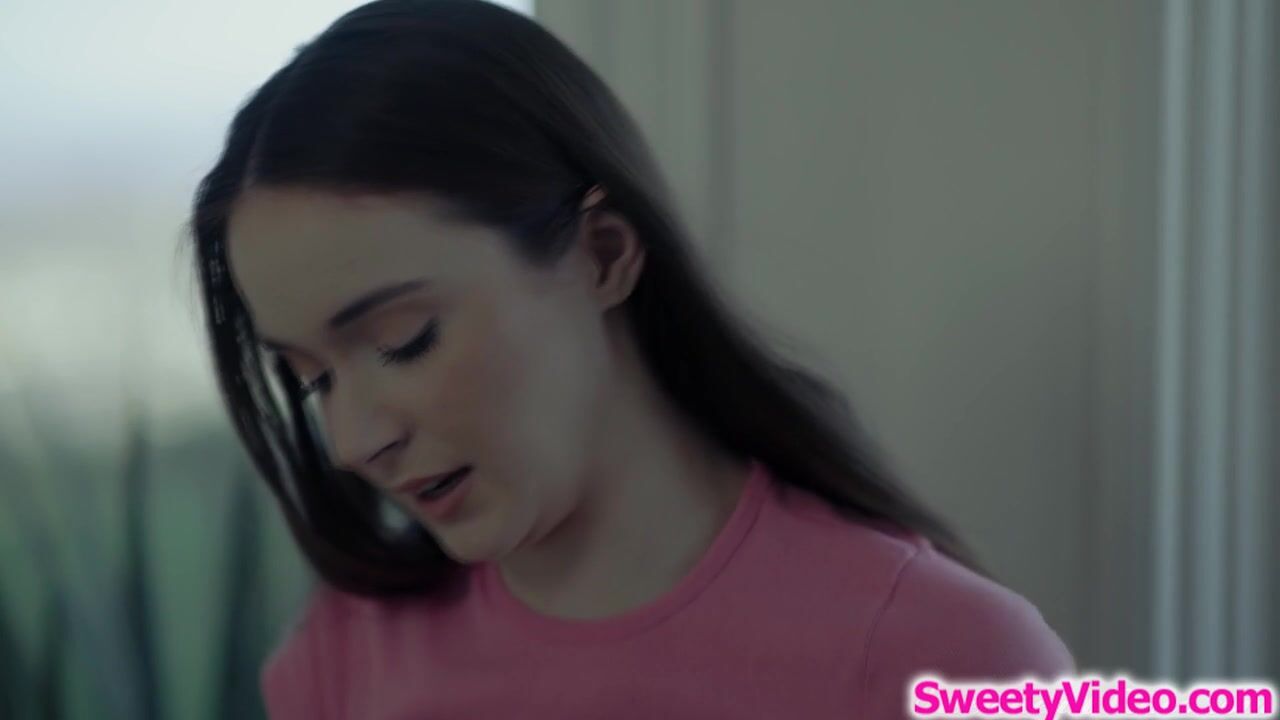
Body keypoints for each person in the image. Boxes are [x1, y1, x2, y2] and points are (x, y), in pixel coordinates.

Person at [187, 0, 1075, 717]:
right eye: (312, 379)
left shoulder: (952, 660)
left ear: (603, 253)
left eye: (403, 340)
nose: (353, 441)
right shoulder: (341, 661)